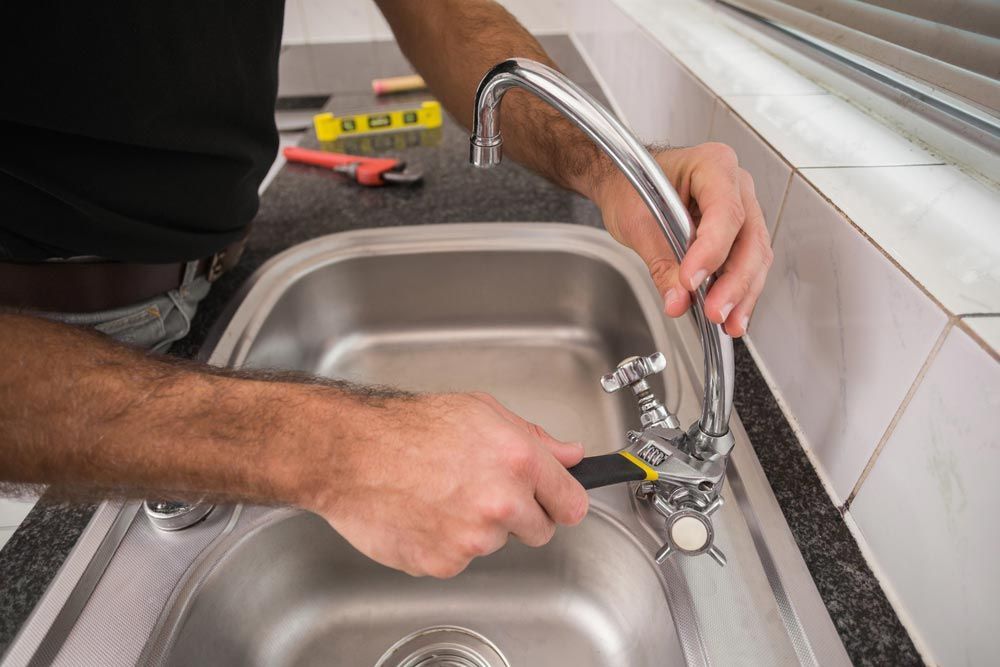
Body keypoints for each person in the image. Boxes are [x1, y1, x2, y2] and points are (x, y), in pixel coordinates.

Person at [0, 0, 772, 578]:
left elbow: (440, 11)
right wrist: (335, 447)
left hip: (211, 263)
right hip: (51, 345)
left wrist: (610, 166)